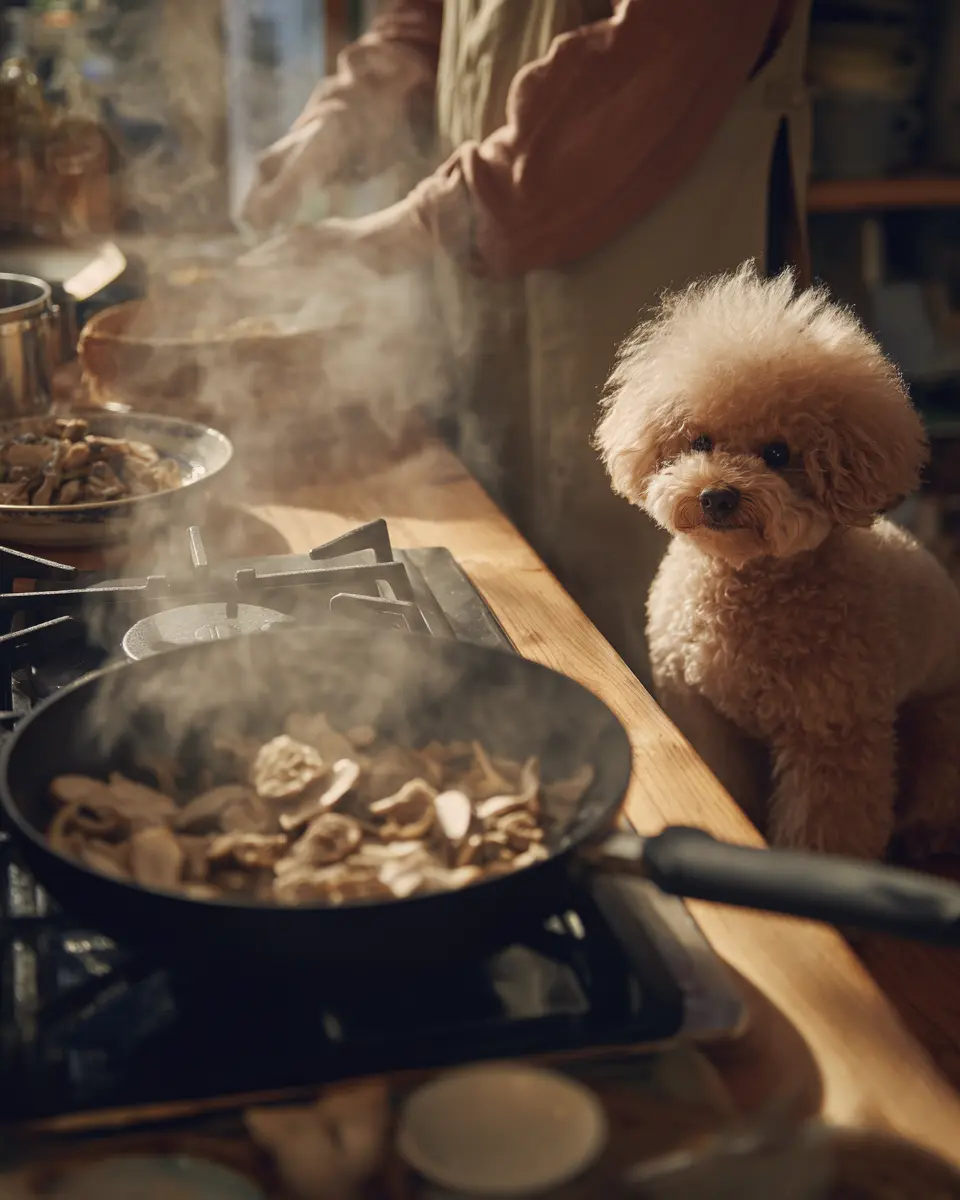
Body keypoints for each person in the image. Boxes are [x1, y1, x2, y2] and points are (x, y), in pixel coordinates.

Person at [240, 0, 812, 687]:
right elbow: (428, 15)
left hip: (648, 283)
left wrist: (418, 224)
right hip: (492, 280)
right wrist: (345, 115)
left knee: (665, 633)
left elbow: (654, 60)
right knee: (511, 598)